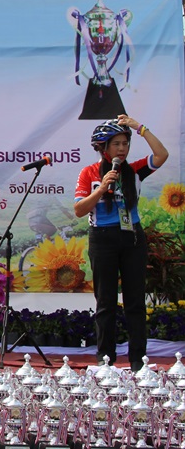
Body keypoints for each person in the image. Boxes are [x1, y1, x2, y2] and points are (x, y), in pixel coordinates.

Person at [73, 114, 168, 370]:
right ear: (103, 147)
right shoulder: (89, 173)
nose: (122, 149)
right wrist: (101, 188)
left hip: (132, 237)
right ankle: (105, 360)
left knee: (135, 301)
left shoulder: (134, 170)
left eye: (125, 143)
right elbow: (79, 210)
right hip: (102, 239)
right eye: (116, 144)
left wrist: (139, 128)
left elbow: (162, 155)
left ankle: (138, 361)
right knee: (105, 301)